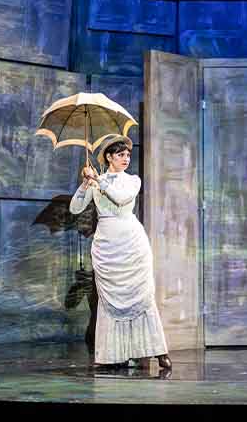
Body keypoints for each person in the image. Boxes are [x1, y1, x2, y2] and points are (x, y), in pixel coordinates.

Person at [69, 135, 171, 371]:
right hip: (107, 245)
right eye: (120, 155)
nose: (126, 159)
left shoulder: (133, 181)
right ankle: (113, 355)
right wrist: (85, 184)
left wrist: (99, 181)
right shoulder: (97, 181)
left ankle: (158, 352)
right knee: (109, 302)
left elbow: (121, 198)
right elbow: (75, 208)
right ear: (109, 157)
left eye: (127, 155)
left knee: (141, 297)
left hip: (131, 243)